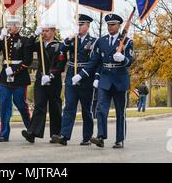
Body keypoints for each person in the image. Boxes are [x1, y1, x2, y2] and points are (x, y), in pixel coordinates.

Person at [78, 14, 133, 149]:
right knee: (101, 109)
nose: (110, 27)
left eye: (113, 24)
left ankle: (119, 139)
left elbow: (130, 61)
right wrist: (83, 74)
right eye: (108, 24)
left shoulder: (127, 41)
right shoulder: (101, 41)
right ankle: (101, 137)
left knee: (120, 112)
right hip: (105, 78)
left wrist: (123, 59)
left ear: (119, 25)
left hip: (120, 78)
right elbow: (95, 61)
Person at [51, 14, 98, 146]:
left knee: (86, 109)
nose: (78, 26)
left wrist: (82, 75)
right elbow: (60, 49)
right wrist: (71, 36)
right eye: (77, 24)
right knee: (69, 107)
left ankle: (87, 137)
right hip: (72, 75)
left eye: (81, 24)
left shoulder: (94, 41)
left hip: (86, 78)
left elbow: (93, 62)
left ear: (87, 26)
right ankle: (64, 135)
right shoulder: (72, 39)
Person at [21, 23, 66, 144]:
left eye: (46, 31)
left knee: (54, 107)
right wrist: (34, 34)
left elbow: (60, 65)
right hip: (41, 79)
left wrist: (51, 75)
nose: (44, 33)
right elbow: (27, 46)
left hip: (53, 80)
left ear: (53, 31)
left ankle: (56, 134)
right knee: (39, 105)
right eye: (43, 31)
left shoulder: (59, 46)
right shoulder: (39, 44)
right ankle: (33, 132)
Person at [0, 15, 33, 142]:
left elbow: (27, 61)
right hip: (5, 76)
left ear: (18, 26)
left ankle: (31, 131)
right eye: (8, 24)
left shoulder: (25, 40)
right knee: (4, 105)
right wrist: (0, 37)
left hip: (19, 78)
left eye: (12, 24)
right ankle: (4, 134)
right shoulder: (4, 39)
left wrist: (14, 70)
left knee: (21, 105)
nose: (9, 27)